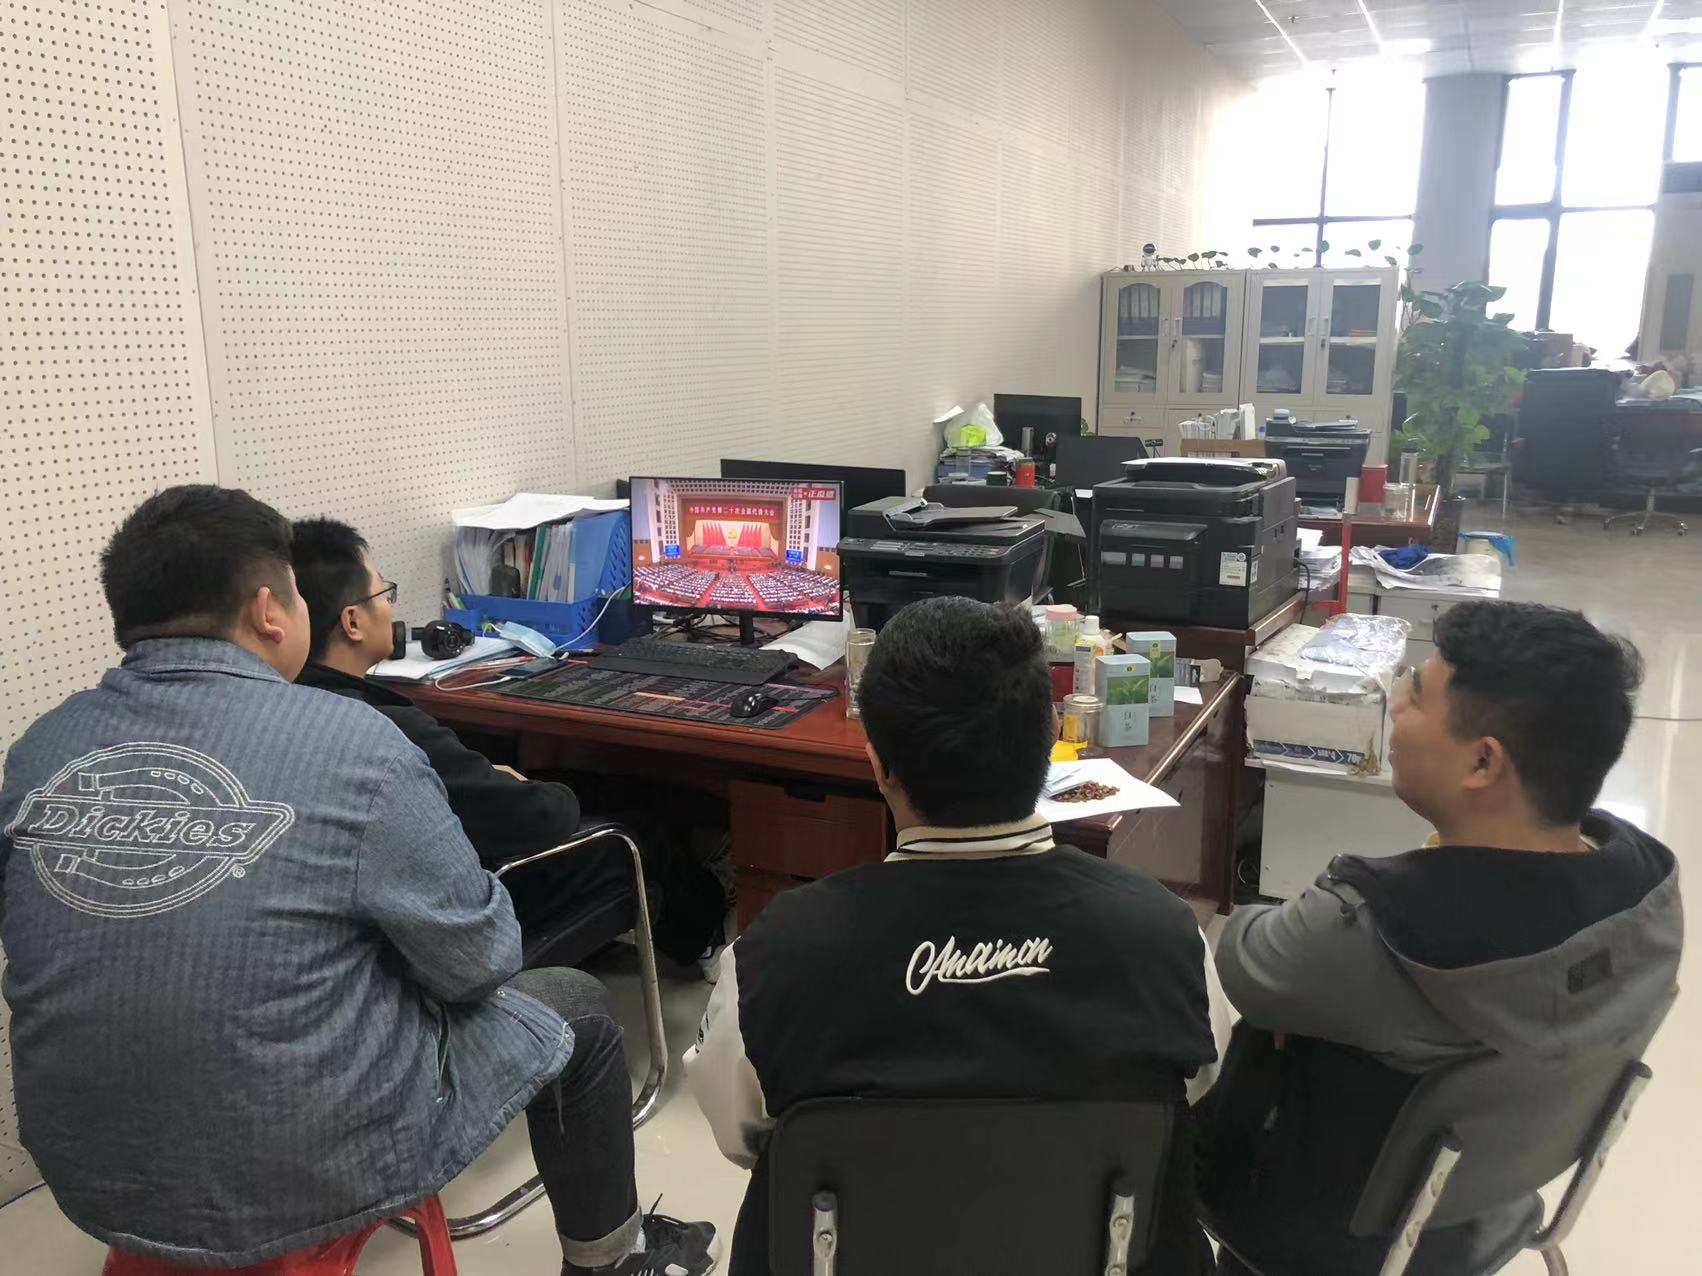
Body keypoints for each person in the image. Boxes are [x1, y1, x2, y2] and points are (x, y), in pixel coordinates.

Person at [0, 486, 716, 1276]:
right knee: (577, 1004)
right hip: (302, 1172)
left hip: (86, 1176)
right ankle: (614, 1261)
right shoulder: (355, 743)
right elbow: (481, 964)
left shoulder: (42, 748)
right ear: (269, 611)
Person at [685, 595, 1232, 1275]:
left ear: (879, 763)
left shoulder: (773, 957)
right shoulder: (1168, 936)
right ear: (1051, 736)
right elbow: (1197, 1093)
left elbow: (739, 1135)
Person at [1199, 601, 1683, 1275]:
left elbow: (1243, 956)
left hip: (1325, 1229)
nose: (1396, 703)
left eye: (1417, 694)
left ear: (1483, 762)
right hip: (1493, 1197)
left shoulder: (1378, 929)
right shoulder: (1649, 891)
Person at [289, 518, 628, 935]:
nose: (391, 609)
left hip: (366, 910)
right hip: (459, 914)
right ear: (353, 622)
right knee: (642, 832)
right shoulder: (391, 729)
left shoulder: (283, 709)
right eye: (384, 594)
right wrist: (545, 792)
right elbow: (538, 818)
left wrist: (488, 779)